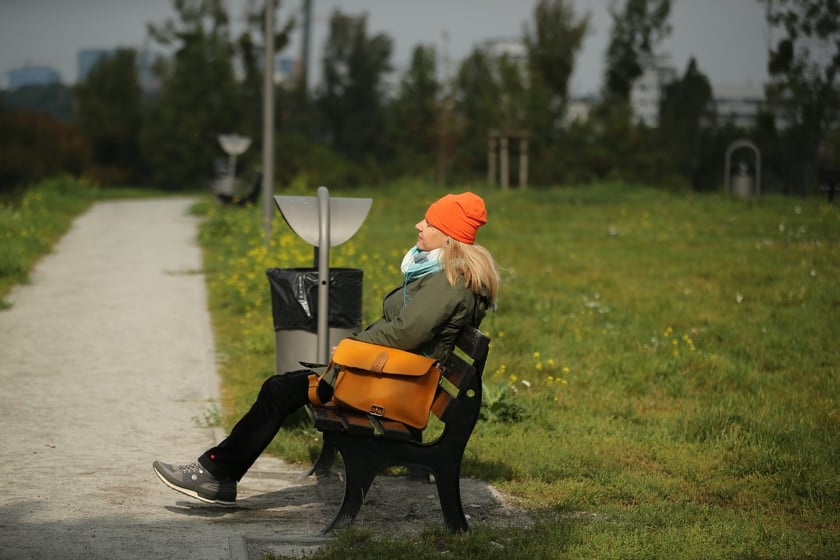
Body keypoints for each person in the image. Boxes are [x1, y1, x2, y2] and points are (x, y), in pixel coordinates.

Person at [153, 191, 500, 505]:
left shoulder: (449, 283)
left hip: (392, 386)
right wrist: (353, 351)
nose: (419, 225)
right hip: (386, 375)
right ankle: (219, 474)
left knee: (279, 390)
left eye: (429, 222)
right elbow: (405, 332)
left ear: (449, 235)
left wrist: (351, 348)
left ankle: (216, 474)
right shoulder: (442, 275)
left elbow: (406, 333)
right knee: (280, 388)